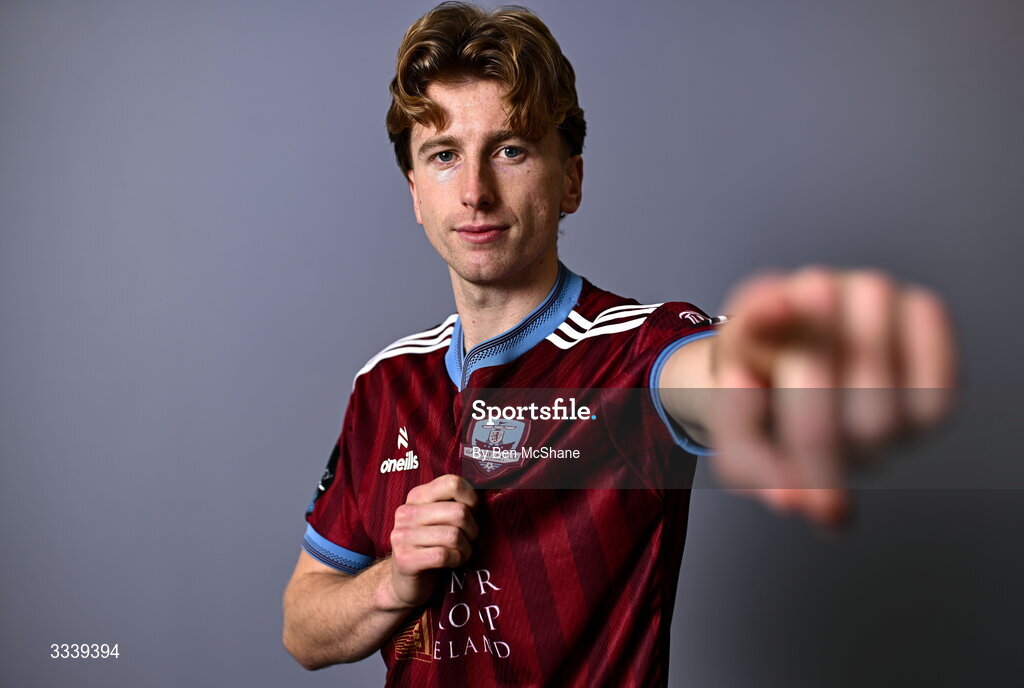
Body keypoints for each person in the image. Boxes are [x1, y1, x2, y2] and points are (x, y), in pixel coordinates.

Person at [281, 3, 956, 685]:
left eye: (510, 150)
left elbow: (709, 377)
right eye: (445, 156)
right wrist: (393, 582)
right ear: (416, 193)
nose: (475, 191)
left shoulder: (635, 352)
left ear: (570, 180)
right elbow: (302, 629)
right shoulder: (384, 385)